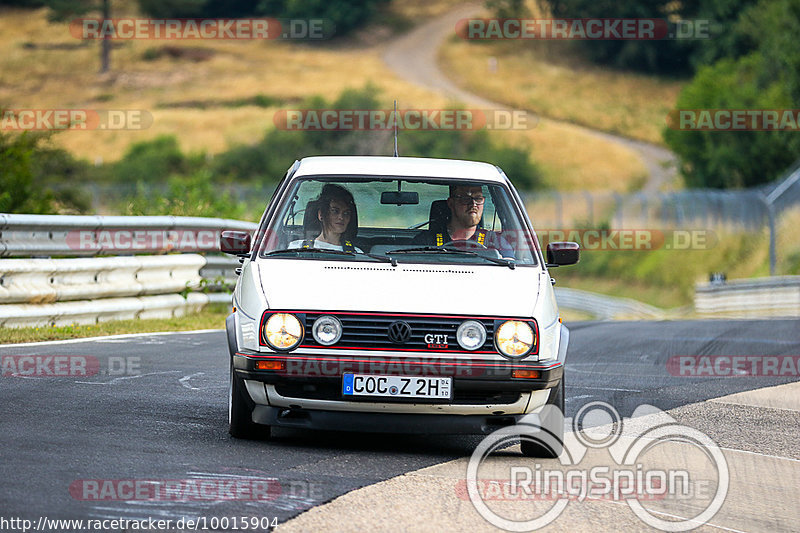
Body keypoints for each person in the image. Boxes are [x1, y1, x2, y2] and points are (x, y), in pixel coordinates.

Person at [416, 184, 514, 258]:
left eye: (478, 199)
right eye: (466, 198)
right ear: (451, 203)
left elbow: (511, 273)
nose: (473, 204)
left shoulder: (496, 242)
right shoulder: (425, 241)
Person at [289, 183, 363, 252]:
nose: (341, 217)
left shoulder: (357, 254)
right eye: (335, 211)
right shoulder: (296, 248)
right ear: (321, 215)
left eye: (346, 213)